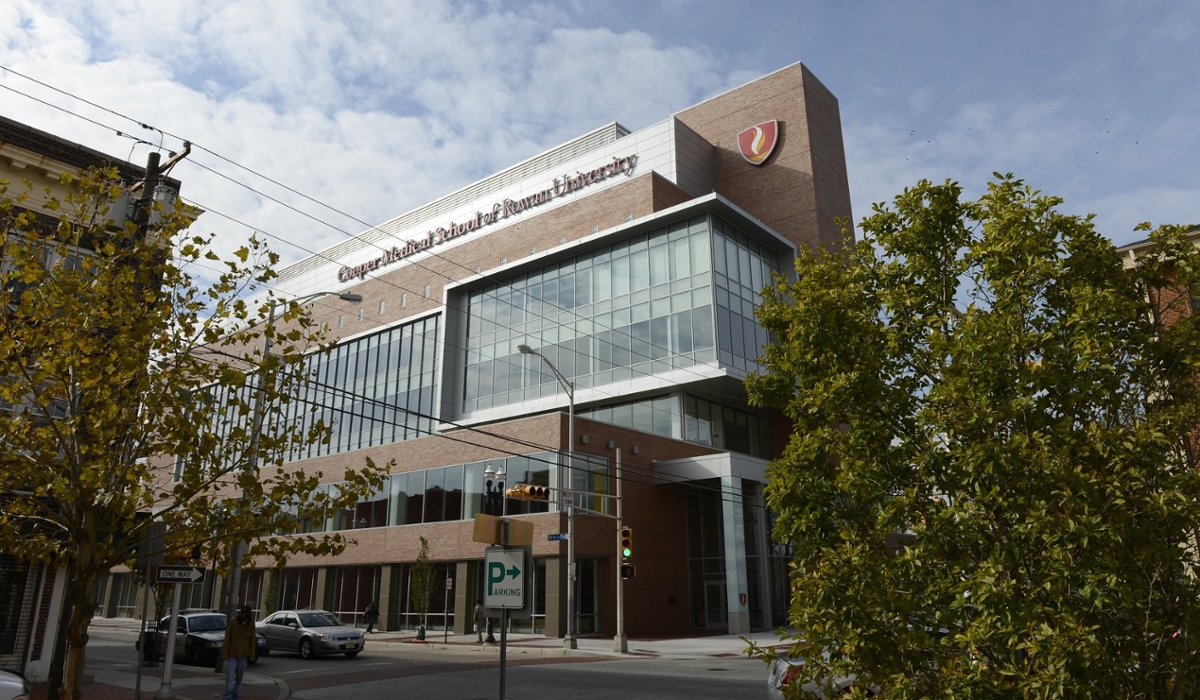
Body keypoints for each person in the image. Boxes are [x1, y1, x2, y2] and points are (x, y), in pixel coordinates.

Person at [221, 605, 257, 700]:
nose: (242, 614)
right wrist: (225, 654)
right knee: (230, 676)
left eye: (244, 613)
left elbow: (252, 641)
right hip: (232, 654)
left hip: (243, 655)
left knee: (239, 677)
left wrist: (252, 656)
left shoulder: (251, 624)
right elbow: (227, 639)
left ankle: (236, 695)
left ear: (248, 614)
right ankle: (227, 696)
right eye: (241, 612)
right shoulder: (234, 623)